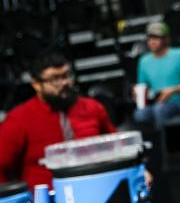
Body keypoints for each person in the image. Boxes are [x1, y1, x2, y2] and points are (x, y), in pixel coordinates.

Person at [0, 51, 115, 188]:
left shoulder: (92, 108)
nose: (64, 83)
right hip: (45, 199)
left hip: (95, 188)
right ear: (36, 84)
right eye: (55, 79)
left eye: (67, 76)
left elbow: (115, 147)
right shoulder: (19, 118)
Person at [133, 21, 180, 127]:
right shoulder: (144, 61)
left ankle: (166, 143)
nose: (152, 41)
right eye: (150, 38)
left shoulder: (179, 55)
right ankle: (151, 143)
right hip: (157, 103)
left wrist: (172, 91)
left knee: (160, 109)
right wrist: (136, 93)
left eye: (156, 37)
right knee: (140, 114)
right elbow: (142, 86)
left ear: (166, 39)